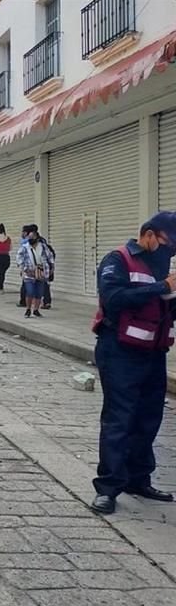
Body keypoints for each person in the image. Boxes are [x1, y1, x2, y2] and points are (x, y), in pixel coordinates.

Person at [89, 211, 176, 515]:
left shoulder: (161, 265)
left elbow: (163, 308)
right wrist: (162, 287)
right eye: (167, 244)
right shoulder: (118, 259)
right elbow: (113, 298)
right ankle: (108, 488)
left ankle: (139, 479)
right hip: (119, 350)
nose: (170, 251)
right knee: (119, 419)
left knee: (148, 418)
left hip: (154, 353)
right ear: (149, 234)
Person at [16, 225, 51, 318]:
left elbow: (49, 256)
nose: (31, 239)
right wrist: (24, 269)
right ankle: (28, 309)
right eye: (30, 237)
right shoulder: (25, 247)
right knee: (30, 291)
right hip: (29, 272)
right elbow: (19, 258)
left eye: (33, 237)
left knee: (39, 292)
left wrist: (51, 268)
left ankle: (36, 310)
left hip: (41, 271)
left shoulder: (43, 246)